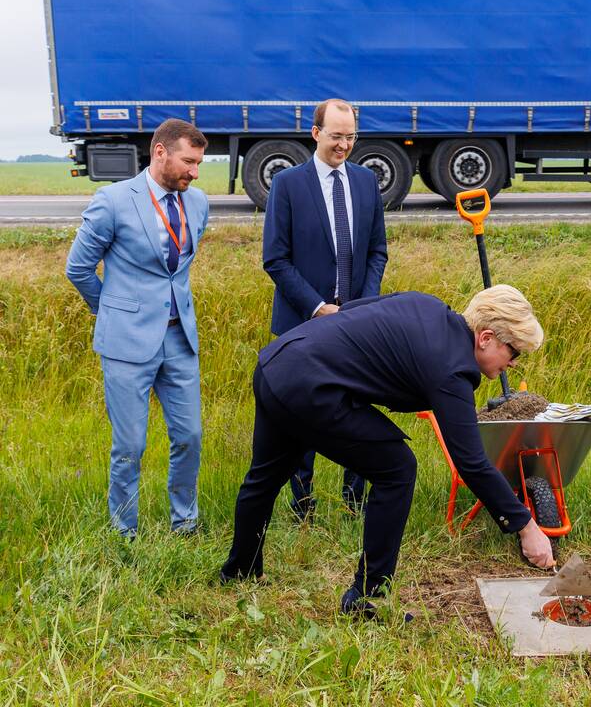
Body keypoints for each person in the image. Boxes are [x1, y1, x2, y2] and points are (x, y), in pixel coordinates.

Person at [220, 285, 556, 616]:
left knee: (266, 475)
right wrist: (526, 526)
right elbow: (471, 463)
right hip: (310, 387)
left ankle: (240, 570)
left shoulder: (426, 305)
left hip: (278, 362)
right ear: (486, 338)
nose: (513, 364)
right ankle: (368, 598)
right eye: (515, 353)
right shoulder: (452, 369)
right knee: (397, 469)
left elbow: (351, 310)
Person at [65, 119, 209, 537]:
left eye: (199, 164)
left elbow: (177, 270)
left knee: (190, 437)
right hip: (126, 342)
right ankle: (124, 532)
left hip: (179, 338)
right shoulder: (112, 200)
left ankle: (185, 523)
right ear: (159, 152)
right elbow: (78, 268)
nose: (194, 172)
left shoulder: (197, 202)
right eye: (188, 161)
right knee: (129, 446)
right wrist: (112, 310)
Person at [262, 97, 388, 521]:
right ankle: (302, 506)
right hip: (303, 322)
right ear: (315, 133)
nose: (344, 145)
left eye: (350, 137)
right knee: (302, 414)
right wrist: (318, 308)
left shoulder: (367, 182)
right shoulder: (288, 184)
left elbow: (377, 252)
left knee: (356, 409)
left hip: (355, 324)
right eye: (336, 136)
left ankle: (354, 503)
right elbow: (275, 259)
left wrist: (361, 306)